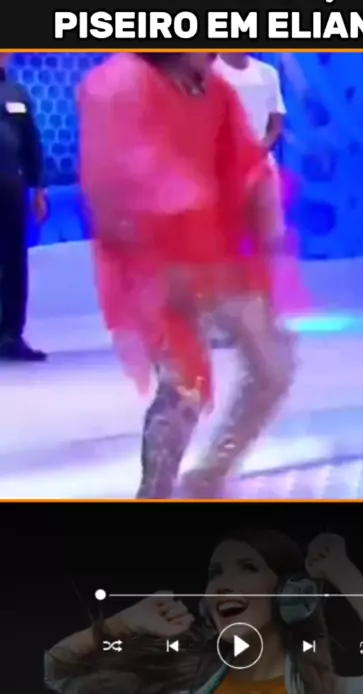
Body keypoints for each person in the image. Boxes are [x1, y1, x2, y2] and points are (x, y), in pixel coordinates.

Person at [77, 53, 296, 500]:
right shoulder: (120, 84)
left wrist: (262, 201)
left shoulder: (214, 90)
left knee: (272, 363)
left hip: (216, 258)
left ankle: (206, 479)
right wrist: (161, 246)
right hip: (154, 265)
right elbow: (114, 181)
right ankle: (154, 495)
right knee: (184, 387)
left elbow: (245, 161)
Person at [45, 531, 363, 694]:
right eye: (215, 574)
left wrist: (342, 572)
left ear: (291, 595)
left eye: (247, 568)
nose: (222, 585)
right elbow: (57, 670)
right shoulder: (181, 684)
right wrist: (125, 622)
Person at [0, 53, 48, 361]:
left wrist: (38, 187)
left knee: (14, 260)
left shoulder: (16, 92)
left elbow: (31, 142)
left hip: (10, 186)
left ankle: (10, 336)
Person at [214, 54, 286, 244]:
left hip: (261, 168)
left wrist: (260, 148)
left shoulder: (267, 73)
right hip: (220, 168)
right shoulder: (209, 71)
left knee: (269, 238)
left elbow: (276, 122)